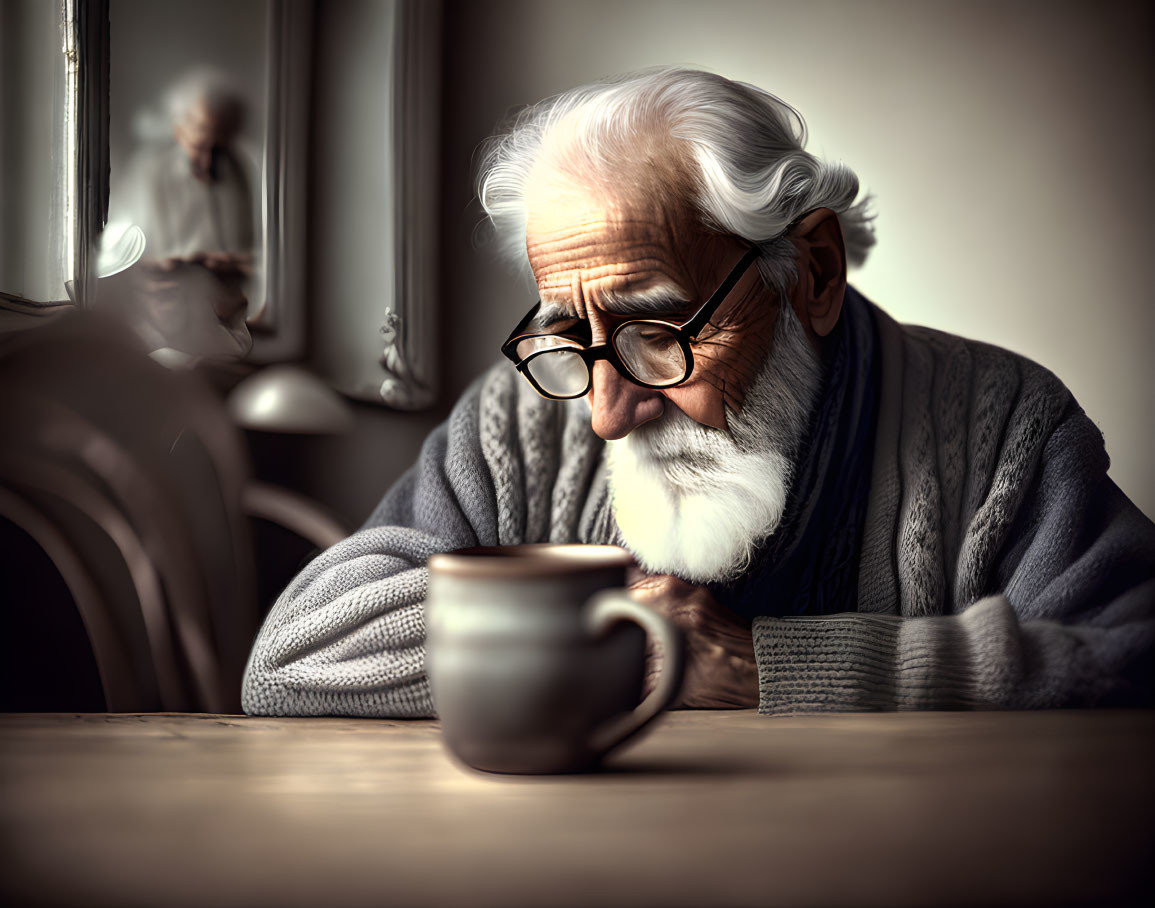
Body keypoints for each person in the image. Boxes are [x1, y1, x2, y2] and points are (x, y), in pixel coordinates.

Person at [242, 68, 1155, 717]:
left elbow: (1133, 652)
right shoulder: (520, 422)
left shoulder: (1000, 426)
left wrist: (783, 671)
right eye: (573, 334)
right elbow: (294, 660)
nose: (603, 411)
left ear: (812, 274)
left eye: (660, 331)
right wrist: (617, 641)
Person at [106, 68, 256, 361]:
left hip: (223, 322)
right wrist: (161, 269)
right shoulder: (148, 172)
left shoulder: (239, 173)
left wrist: (233, 266)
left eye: (220, 148)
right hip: (159, 325)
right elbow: (124, 254)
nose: (209, 161)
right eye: (201, 146)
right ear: (179, 129)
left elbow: (248, 256)